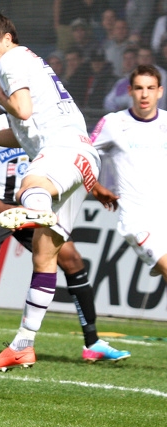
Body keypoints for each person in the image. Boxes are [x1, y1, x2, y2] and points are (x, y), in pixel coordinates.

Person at [0, 13, 101, 371]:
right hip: (81, 159)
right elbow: (24, 134)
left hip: (62, 152)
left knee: (29, 187)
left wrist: (3, 98)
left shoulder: (12, 60)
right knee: (45, 258)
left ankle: (35, 207)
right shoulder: (33, 62)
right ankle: (23, 343)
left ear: (6, 38)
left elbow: (22, 108)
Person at [0, 101, 130, 365]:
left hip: (34, 204)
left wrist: (94, 188)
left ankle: (93, 342)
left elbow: (67, 157)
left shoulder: (42, 113)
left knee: (71, 259)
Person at [91, 64, 167, 282]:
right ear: (130, 91)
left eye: (150, 88)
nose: (144, 94)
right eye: (139, 88)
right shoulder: (114, 123)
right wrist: (94, 186)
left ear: (160, 91)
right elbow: (81, 155)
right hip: (137, 221)